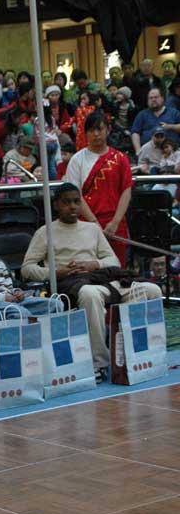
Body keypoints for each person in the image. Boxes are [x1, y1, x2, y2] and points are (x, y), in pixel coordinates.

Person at [21, 183, 162, 381]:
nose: (72, 206)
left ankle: (137, 353)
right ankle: (99, 362)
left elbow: (113, 260)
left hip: (103, 279)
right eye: (66, 202)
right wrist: (57, 272)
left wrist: (93, 264)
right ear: (56, 205)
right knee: (89, 294)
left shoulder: (92, 229)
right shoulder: (45, 232)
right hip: (72, 283)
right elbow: (27, 268)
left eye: (76, 202)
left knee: (152, 290)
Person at [64, 112, 133, 266]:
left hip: (115, 224)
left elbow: (126, 191)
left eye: (99, 129)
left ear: (108, 130)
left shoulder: (120, 158)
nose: (96, 134)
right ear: (85, 133)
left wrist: (115, 222)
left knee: (117, 269)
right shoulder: (77, 160)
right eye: (91, 130)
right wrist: (94, 223)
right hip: (86, 224)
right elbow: (75, 195)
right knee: (89, 271)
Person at [131, 87, 180, 152]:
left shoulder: (174, 113)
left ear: (162, 99)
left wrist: (170, 127)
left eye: (156, 97)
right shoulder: (142, 114)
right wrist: (138, 150)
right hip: (148, 154)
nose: (153, 100)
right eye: (150, 98)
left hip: (172, 153)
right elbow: (135, 132)